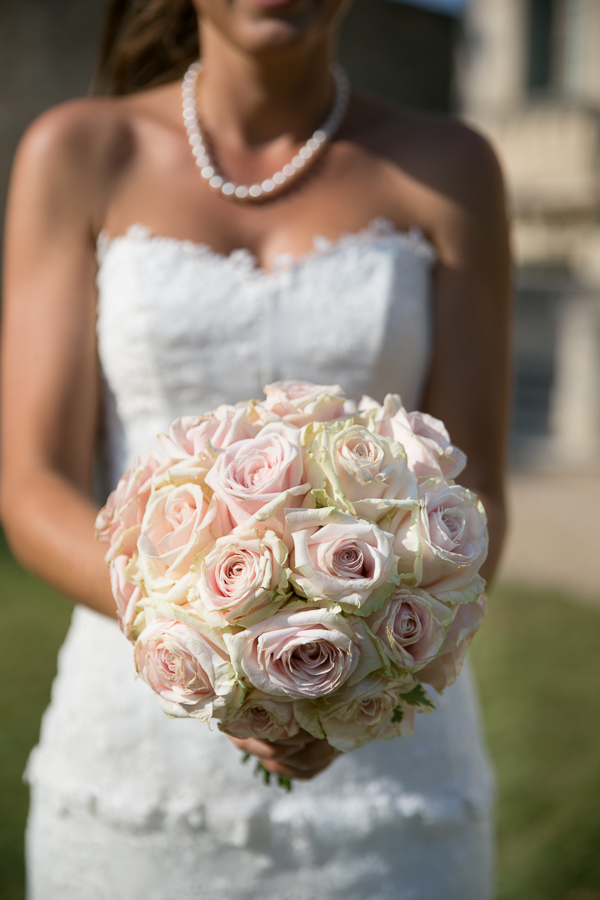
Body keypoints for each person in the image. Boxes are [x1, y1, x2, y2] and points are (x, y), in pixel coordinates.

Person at [0, 0, 511, 897]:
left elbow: (481, 496)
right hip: (136, 757)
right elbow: (31, 485)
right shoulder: (77, 152)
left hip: (388, 759)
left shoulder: (453, 167)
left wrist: (363, 668)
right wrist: (212, 638)